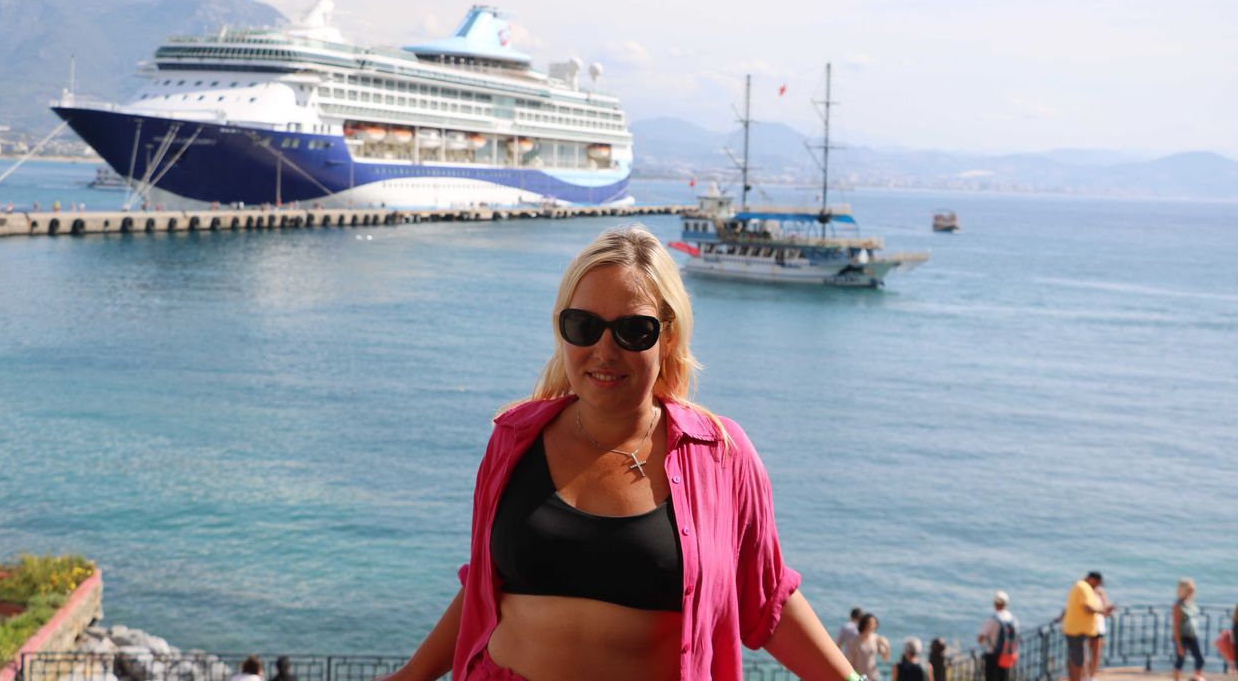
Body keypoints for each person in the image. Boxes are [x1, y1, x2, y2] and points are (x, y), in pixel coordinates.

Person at [382, 225, 858, 681]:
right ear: (562, 330)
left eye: (633, 330)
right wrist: (411, 675)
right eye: (584, 326)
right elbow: (484, 588)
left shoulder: (719, 454)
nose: (605, 352)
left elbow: (766, 598)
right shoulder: (513, 438)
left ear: (668, 336)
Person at [1063, 571, 1106, 681]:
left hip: (1078, 630)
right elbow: (1087, 608)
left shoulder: (1082, 586)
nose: (1098, 586)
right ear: (1092, 579)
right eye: (1098, 583)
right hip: (1077, 631)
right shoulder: (1083, 587)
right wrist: (1102, 611)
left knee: (1078, 659)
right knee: (1077, 660)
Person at [978, 591, 1017, 681]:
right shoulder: (1013, 619)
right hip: (1007, 655)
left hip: (992, 655)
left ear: (995, 603)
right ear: (1007, 604)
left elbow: (981, 638)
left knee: (990, 678)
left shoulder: (992, 620)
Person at [1173, 578, 1205, 681]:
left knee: (1200, 660)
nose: (1193, 591)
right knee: (1181, 660)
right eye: (1190, 589)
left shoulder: (1191, 603)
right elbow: (1176, 626)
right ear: (1184, 590)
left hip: (1192, 635)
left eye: (1193, 589)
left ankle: (1197, 678)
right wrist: (1178, 644)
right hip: (1182, 636)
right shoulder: (1178, 605)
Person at [846, 613, 891, 681]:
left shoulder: (876, 638)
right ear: (864, 624)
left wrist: (887, 646)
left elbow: (885, 658)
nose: (872, 625)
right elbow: (849, 660)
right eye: (870, 623)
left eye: (874, 623)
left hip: (873, 676)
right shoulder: (854, 640)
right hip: (859, 677)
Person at [1089, 584, 1114, 681]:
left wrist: (1108, 609)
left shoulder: (1100, 593)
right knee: (1084, 654)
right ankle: (1084, 675)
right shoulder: (1085, 593)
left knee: (1096, 653)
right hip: (1086, 628)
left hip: (1098, 627)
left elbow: (1107, 613)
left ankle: (1091, 676)